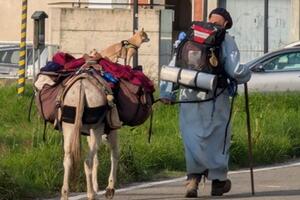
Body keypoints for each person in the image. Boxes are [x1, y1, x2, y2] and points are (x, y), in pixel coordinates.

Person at [160, 8, 251, 198]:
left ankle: (192, 180)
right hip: (214, 97)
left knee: (191, 137)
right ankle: (218, 182)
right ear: (226, 23)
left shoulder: (189, 35)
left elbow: (173, 65)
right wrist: (247, 74)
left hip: (187, 96)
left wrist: (167, 93)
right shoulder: (224, 39)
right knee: (218, 138)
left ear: (209, 18)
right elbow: (235, 71)